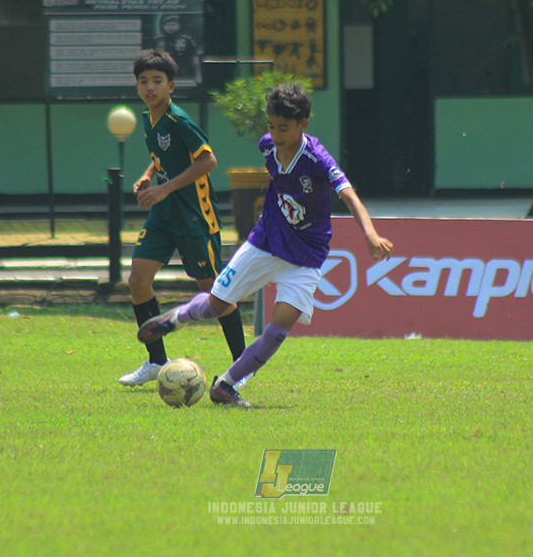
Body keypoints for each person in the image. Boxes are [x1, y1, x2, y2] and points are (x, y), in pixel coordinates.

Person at [136, 82, 394, 407]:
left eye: (283, 128)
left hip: (306, 257)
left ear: (303, 125)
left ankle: (225, 386)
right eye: (271, 126)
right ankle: (173, 320)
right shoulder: (267, 146)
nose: (275, 134)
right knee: (218, 305)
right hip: (264, 243)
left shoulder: (316, 158)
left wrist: (369, 234)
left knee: (276, 331)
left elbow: (348, 194)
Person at [118, 49, 246, 387]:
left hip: (194, 216)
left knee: (215, 293)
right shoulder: (148, 117)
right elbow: (161, 155)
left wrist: (165, 189)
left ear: (171, 86)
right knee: (137, 280)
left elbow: (208, 161)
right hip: (165, 214)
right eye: (143, 81)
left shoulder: (179, 120)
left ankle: (241, 368)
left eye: (157, 81)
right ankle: (156, 361)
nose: (149, 87)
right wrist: (149, 176)